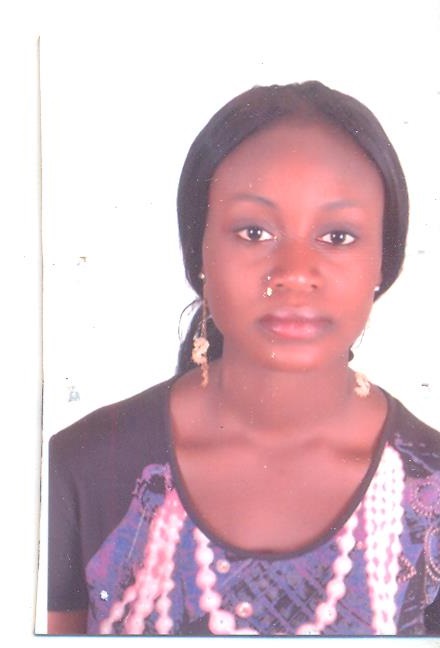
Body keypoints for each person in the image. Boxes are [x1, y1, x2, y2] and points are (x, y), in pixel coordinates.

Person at [48, 81, 440, 636]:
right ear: (199, 250)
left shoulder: (431, 489)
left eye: (337, 236)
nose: (295, 272)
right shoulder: (80, 468)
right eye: (254, 231)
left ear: (384, 260)